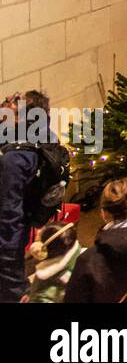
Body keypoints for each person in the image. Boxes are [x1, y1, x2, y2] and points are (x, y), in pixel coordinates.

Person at [0, 91, 64, 304]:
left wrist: (7, 248)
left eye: (12, 104)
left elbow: (10, 207)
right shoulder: (43, 133)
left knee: (13, 288)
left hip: (9, 233)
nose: (6, 103)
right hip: (23, 221)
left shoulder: (14, 158)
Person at [25, 220, 84, 303]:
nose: (38, 231)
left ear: (42, 251)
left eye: (40, 235)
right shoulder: (82, 257)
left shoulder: (42, 296)